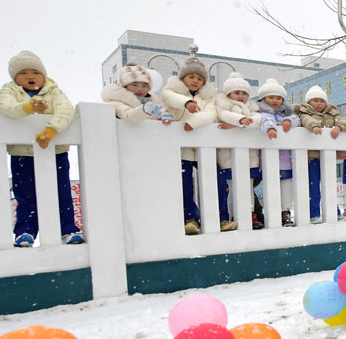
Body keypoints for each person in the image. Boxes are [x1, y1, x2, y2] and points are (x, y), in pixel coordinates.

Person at [0, 50, 82, 246]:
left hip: (55, 152)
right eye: (23, 73)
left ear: (43, 75)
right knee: (26, 195)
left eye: (35, 72)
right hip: (22, 154)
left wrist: (52, 129)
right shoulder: (9, 90)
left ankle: (68, 229)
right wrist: (28, 107)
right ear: (15, 77)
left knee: (62, 192)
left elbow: (66, 110)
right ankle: (25, 231)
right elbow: (6, 106)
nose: (30, 76)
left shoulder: (54, 91)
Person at [161, 56, 221, 234]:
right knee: (185, 184)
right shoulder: (172, 91)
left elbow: (210, 115)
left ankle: (218, 216)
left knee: (216, 180)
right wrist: (187, 103)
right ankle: (190, 218)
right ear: (183, 79)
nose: (195, 81)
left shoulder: (208, 98)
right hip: (181, 149)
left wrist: (193, 122)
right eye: (191, 77)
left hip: (203, 147)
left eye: (199, 78)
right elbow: (170, 98)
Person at [294, 85, 346, 224]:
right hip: (312, 157)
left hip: (328, 157)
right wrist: (314, 126)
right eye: (315, 101)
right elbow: (307, 120)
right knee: (313, 187)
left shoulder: (331, 114)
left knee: (330, 186)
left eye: (321, 101)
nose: (319, 104)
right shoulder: (305, 112)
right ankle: (313, 214)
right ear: (309, 102)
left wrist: (338, 127)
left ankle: (334, 212)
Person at [213, 74, 261, 231]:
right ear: (228, 94)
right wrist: (240, 121)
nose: (241, 96)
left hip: (249, 157)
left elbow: (259, 119)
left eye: (244, 93)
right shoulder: (223, 105)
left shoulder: (252, 107)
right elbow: (224, 115)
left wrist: (237, 125)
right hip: (230, 157)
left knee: (247, 188)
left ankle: (250, 214)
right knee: (232, 188)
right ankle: (234, 215)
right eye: (237, 93)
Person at [256, 79, 296, 226]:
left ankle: (285, 212)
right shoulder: (262, 112)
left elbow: (296, 119)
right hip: (269, 160)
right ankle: (273, 213)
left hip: (286, 160)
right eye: (271, 97)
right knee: (271, 187)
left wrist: (289, 121)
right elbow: (265, 120)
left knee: (286, 187)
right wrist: (271, 128)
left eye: (278, 98)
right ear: (263, 98)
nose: (275, 101)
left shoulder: (285, 114)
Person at [102, 64, 170, 125]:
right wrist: (144, 109)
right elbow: (129, 116)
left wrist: (164, 117)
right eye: (134, 85)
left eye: (144, 86)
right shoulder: (116, 102)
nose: (140, 89)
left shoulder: (153, 104)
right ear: (125, 86)